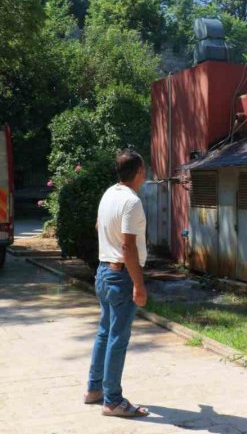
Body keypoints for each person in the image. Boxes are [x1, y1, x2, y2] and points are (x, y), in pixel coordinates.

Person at [84, 150, 150, 419]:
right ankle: (112, 400)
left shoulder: (109, 194)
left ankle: (94, 389)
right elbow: (127, 245)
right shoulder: (132, 202)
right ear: (140, 172)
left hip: (103, 271)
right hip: (120, 276)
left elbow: (99, 225)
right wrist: (138, 284)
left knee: (104, 332)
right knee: (117, 338)